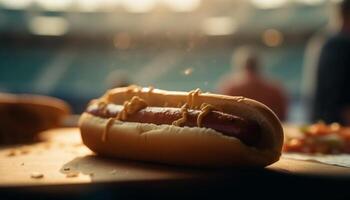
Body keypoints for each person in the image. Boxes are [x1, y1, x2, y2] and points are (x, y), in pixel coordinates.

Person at [217, 46, 288, 121]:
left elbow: (221, 114)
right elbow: (283, 117)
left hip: (235, 130)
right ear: (259, 65)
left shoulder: (230, 87)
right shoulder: (275, 88)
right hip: (269, 131)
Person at [311, 0, 350, 125]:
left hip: (327, 122)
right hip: (334, 125)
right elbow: (334, 90)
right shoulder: (339, 44)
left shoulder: (329, 41)